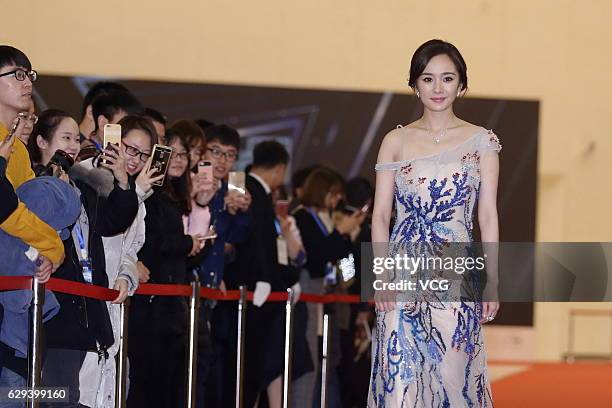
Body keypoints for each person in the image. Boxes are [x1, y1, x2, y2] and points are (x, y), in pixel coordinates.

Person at [369, 39, 501, 406]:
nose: (438, 88)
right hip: (401, 271)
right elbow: (380, 216)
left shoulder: (482, 143)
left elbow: (487, 216)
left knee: (451, 379)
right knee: (400, 382)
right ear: (414, 84)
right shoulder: (395, 140)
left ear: (461, 84)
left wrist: (493, 281)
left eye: (447, 78)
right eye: (428, 79)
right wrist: (380, 276)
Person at [27, 109, 139, 407]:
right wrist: (54, 186)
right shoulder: (31, 184)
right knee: (56, 398)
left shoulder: (83, 185)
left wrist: (122, 181)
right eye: (65, 138)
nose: (74, 146)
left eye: (77, 139)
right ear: (41, 141)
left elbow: (113, 222)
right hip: (51, 311)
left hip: (85, 309)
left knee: (71, 396)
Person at [76, 115, 161, 408]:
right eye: (130, 149)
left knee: (110, 387)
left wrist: (127, 275)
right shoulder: (88, 175)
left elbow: (131, 250)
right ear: (113, 139)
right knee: (79, 389)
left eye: (144, 154)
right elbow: (103, 228)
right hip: (85, 300)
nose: (135, 159)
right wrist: (134, 191)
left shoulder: (138, 192)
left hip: (114, 303)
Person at [127, 130, 207, 408]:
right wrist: (187, 243)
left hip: (173, 306)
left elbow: (182, 257)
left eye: (184, 154)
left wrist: (195, 244)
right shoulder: (151, 193)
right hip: (151, 305)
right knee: (148, 383)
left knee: (171, 384)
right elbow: (153, 242)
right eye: (169, 152)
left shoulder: (175, 196)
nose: (178, 159)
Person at [293, 168, 365, 408]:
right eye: (333, 194)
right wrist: (340, 233)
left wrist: (345, 236)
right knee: (309, 361)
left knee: (328, 361)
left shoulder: (325, 218)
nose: (337, 201)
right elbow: (316, 257)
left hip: (328, 298)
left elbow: (342, 261)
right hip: (308, 294)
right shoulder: (302, 218)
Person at [0, 45, 64, 280]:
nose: (27, 83)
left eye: (28, 75)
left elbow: (29, 205)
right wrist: (52, 246)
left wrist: (41, 254)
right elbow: (6, 208)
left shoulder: (18, 148)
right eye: (17, 75)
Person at [78, 90, 143, 161]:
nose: (129, 133)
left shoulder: (101, 153)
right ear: (103, 123)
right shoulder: (88, 156)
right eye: (124, 125)